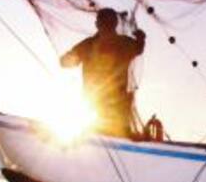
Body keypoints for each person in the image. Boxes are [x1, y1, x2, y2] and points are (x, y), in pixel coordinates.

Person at [60, 8, 146, 138]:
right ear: (115, 24)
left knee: (97, 136)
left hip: (95, 108)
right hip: (114, 111)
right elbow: (139, 48)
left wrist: (70, 58)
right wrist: (141, 37)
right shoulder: (125, 43)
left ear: (97, 24)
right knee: (116, 136)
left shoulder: (88, 45)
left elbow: (64, 62)